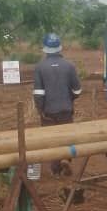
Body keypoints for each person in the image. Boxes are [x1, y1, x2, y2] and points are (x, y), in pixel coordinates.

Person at [33, 33, 82, 176]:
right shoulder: (69, 66)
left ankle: (55, 170)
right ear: (60, 48)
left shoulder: (40, 67)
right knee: (67, 136)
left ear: (45, 49)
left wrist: (40, 109)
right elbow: (77, 90)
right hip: (66, 109)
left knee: (51, 140)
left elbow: (39, 93)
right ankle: (66, 159)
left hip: (48, 110)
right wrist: (69, 99)